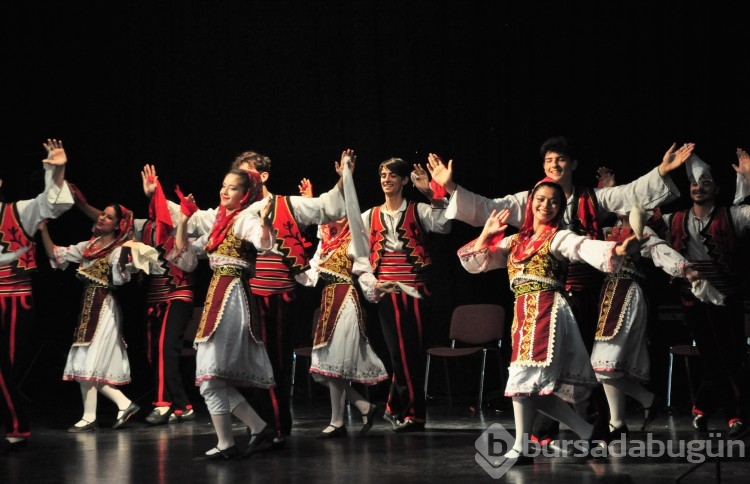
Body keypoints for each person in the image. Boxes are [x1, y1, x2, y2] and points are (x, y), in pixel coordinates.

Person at [426, 137, 694, 442]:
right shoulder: (526, 205)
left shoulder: (592, 199)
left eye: (561, 160)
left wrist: (661, 170)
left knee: (579, 369)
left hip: (586, 290)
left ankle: (595, 429)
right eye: (549, 161)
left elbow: (626, 198)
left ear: (573, 165)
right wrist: (450, 189)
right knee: (542, 371)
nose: (554, 166)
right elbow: (488, 212)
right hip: (539, 300)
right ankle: (558, 433)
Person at [458, 179, 642, 462]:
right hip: (522, 313)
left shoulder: (559, 237)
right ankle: (584, 432)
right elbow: (476, 264)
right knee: (530, 387)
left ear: (560, 208)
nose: (546, 205)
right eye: (541, 199)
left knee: (522, 381)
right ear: (531, 202)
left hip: (547, 311)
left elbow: (582, 247)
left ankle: (523, 446)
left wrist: (614, 250)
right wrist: (485, 235)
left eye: (553, 202)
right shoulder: (516, 241)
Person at [184, 149, 352, 447]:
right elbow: (190, 224)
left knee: (273, 362)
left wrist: (344, 179)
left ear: (261, 177)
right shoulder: (227, 215)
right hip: (242, 295)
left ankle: (275, 427)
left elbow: (325, 208)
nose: (238, 182)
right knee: (238, 364)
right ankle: (254, 427)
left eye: (245, 175)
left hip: (275, 293)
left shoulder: (284, 205)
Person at [171, 168, 276, 460]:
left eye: (232, 189)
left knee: (209, 375)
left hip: (231, 297)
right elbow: (186, 258)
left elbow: (264, 242)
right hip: (218, 294)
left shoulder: (244, 219)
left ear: (244, 196)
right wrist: (182, 219)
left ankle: (232, 441)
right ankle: (253, 430)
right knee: (211, 378)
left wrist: (265, 223)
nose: (224, 192)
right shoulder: (220, 223)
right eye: (223, 186)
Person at [38, 202, 155, 432]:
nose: (102, 218)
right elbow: (56, 254)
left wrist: (125, 255)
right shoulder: (88, 246)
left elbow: (122, 278)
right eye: (102, 214)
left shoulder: (119, 249)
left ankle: (95, 415)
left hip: (104, 308)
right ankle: (119, 405)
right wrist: (43, 230)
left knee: (88, 364)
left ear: (118, 224)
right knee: (84, 363)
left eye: (109, 217)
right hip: (88, 306)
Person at [659, 148, 750, 437]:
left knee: (732, 356)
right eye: (695, 183)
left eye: (706, 182)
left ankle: (701, 405)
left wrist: (748, 177)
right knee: (713, 355)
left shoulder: (731, 215)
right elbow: (639, 223)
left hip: (728, 297)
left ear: (717, 189)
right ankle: (735, 416)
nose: (699, 187)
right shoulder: (673, 220)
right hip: (694, 299)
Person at [591, 209, 705, 437]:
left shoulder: (640, 230)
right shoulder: (608, 230)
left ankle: (646, 400)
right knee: (609, 365)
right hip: (608, 294)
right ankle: (618, 422)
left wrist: (684, 268)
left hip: (627, 294)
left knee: (603, 363)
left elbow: (660, 250)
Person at [362, 157, 451, 432]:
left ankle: (404, 410)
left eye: (392, 176)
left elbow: (444, 224)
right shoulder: (370, 215)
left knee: (410, 351)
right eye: (382, 175)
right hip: (387, 288)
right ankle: (403, 410)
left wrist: (430, 191)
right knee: (399, 352)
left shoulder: (418, 209)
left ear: (403, 180)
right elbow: (361, 257)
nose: (386, 180)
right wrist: (372, 283)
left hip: (415, 287)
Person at [0, 139, 73, 452]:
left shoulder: (18, 211)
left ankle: (16, 426)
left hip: (12, 298)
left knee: (7, 368)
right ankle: (15, 425)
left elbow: (53, 205)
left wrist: (58, 171)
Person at [296, 214, 390, 437]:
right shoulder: (326, 244)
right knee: (328, 365)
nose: (330, 220)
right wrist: (293, 264)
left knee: (335, 364)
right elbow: (310, 276)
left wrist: (377, 284)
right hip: (328, 302)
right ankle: (364, 406)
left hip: (346, 301)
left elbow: (363, 271)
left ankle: (337, 421)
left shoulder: (352, 241)